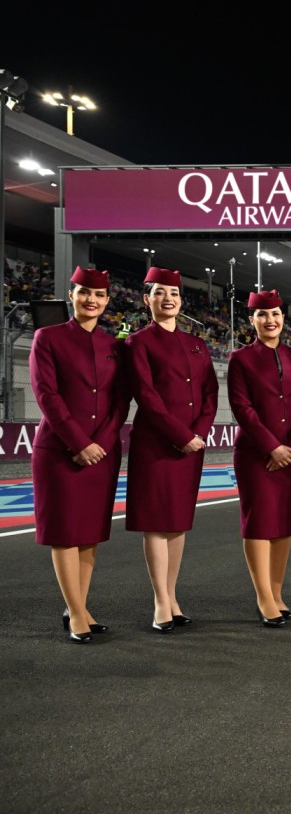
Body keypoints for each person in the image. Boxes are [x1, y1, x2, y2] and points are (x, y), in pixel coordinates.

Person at [31, 267, 132, 644]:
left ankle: (81, 606)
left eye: (100, 295)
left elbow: (120, 400)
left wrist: (100, 443)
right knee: (65, 533)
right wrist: (79, 443)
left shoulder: (115, 346)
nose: (92, 300)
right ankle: (74, 612)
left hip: (102, 452)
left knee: (90, 533)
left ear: (107, 301)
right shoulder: (48, 337)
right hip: (59, 451)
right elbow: (47, 395)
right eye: (85, 292)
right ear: (71, 294)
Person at [125, 267, 220, 633]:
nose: (168, 299)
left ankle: (172, 596)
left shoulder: (197, 343)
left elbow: (210, 393)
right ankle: (160, 601)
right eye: (160, 293)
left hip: (191, 445)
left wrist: (200, 433)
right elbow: (146, 396)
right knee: (156, 523)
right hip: (157, 444)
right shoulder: (138, 342)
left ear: (181, 301)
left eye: (174, 294)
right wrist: (181, 435)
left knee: (178, 523)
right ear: (146, 299)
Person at [226, 290, 291, 628]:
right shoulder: (240, 358)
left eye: (276, 314)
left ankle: (277, 592)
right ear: (252, 320)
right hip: (256, 454)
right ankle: (263, 596)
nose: (270, 320)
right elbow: (242, 407)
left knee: (284, 523)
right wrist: (271, 447)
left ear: (283, 318)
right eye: (262, 315)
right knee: (259, 523)